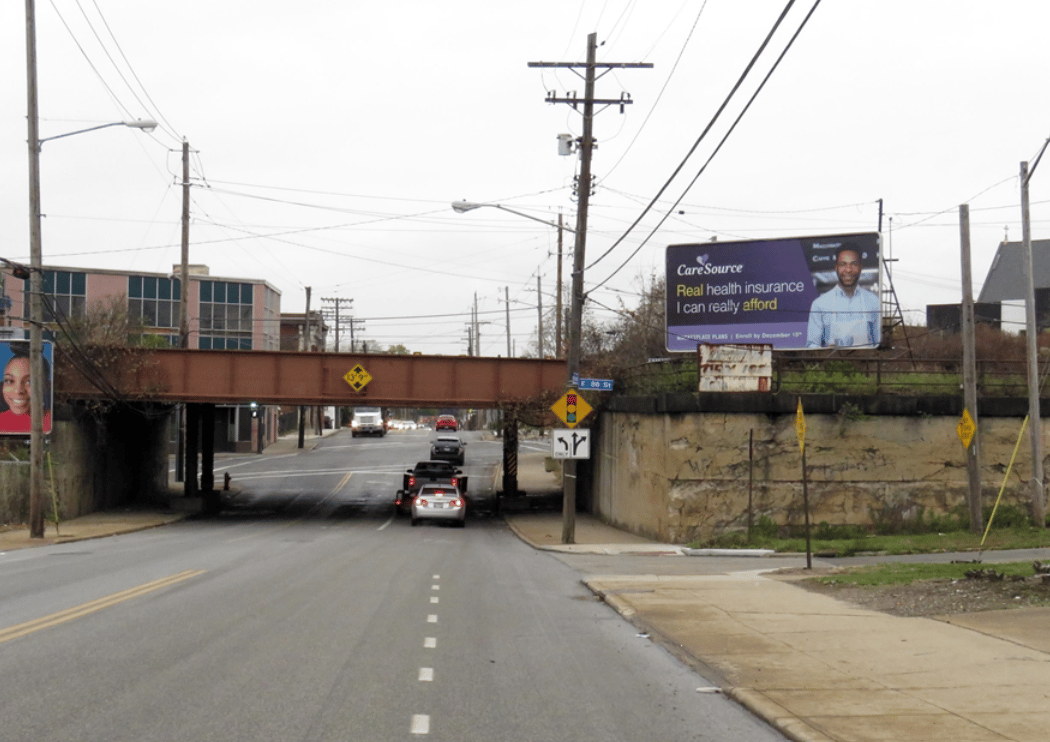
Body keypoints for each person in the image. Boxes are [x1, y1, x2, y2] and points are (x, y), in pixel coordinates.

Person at [806, 245, 880, 348]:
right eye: (843, 264)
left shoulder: (874, 302)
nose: (848, 270)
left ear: (860, 267)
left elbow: (879, 345)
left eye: (853, 264)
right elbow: (811, 345)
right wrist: (826, 351)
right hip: (832, 363)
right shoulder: (819, 304)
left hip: (866, 363)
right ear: (836, 267)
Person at [0, 346, 52, 434]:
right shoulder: (1, 421)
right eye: (9, 381)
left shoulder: (52, 422)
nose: (18, 390)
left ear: (45, 386)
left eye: (29, 381)